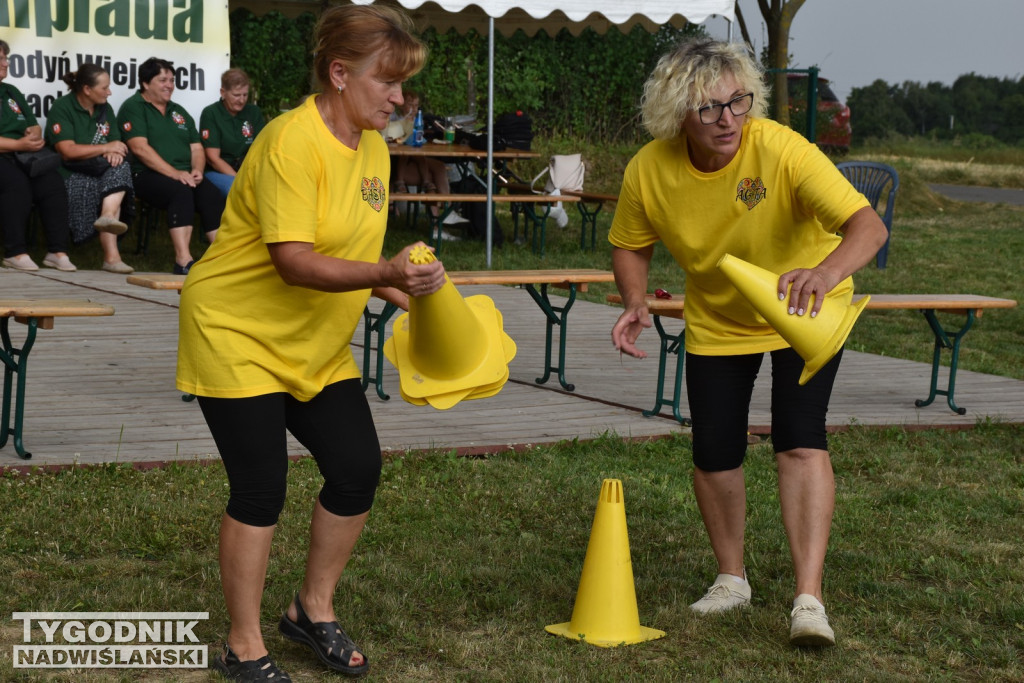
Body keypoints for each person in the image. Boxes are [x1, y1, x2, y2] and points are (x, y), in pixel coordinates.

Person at [176, 6, 444, 681]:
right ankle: (243, 645)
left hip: (314, 341)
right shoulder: (291, 140)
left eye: (404, 85)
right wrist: (385, 274)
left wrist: (406, 289)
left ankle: (309, 609)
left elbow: (350, 248)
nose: (398, 98)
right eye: (388, 82)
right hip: (236, 331)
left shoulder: (375, 146)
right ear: (339, 72)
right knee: (262, 486)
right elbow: (294, 258)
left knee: (357, 466)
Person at [609, 38, 888, 647]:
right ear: (676, 111)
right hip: (719, 319)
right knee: (713, 451)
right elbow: (630, 241)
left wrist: (825, 273)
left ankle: (808, 600)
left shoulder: (783, 149)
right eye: (709, 108)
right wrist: (634, 300)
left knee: (799, 438)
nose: (728, 119)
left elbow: (868, 226)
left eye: (738, 102)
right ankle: (732, 579)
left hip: (805, 308)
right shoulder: (649, 169)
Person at [117, 57, 224, 274]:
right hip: (145, 175)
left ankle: (221, 258)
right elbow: (139, 148)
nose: (170, 85)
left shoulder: (179, 111)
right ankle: (183, 260)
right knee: (180, 191)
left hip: (184, 174)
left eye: (172, 80)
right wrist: (176, 174)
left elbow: (196, 148)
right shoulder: (134, 107)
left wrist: (197, 170)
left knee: (211, 194)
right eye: (163, 80)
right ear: (146, 83)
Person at [47, 63, 135, 274]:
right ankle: (111, 257)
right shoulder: (62, 106)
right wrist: (106, 147)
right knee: (109, 186)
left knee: (120, 168)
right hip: (71, 171)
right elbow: (67, 151)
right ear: (87, 89)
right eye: (104, 88)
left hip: (100, 168)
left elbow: (117, 142)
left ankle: (107, 216)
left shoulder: (106, 108)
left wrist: (114, 150)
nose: (109, 92)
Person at [0, 40, 77, 272]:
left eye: (6, 58)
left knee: (52, 182)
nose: (6, 63)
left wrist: (31, 137)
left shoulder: (10, 91)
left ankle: (57, 251)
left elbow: (34, 125)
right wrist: (18, 143)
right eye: (1, 58)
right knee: (16, 183)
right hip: (6, 155)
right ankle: (15, 252)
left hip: (21, 154)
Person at [388, 90, 466, 239]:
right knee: (428, 174)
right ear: (401, 104)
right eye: (410, 105)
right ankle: (440, 222)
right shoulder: (394, 117)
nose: (413, 108)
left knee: (438, 167)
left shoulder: (417, 119)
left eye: (416, 105)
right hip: (397, 166)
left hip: (413, 163)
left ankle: (446, 209)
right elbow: (397, 139)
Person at [199, 68, 265, 197]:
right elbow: (213, 158)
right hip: (218, 172)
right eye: (236, 95)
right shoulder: (211, 113)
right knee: (237, 189)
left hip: (248, 169)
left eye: (245, 95)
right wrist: (239, 179)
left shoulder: (253, 112)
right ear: (223, 93)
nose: (241, 100)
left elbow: (260, 149)